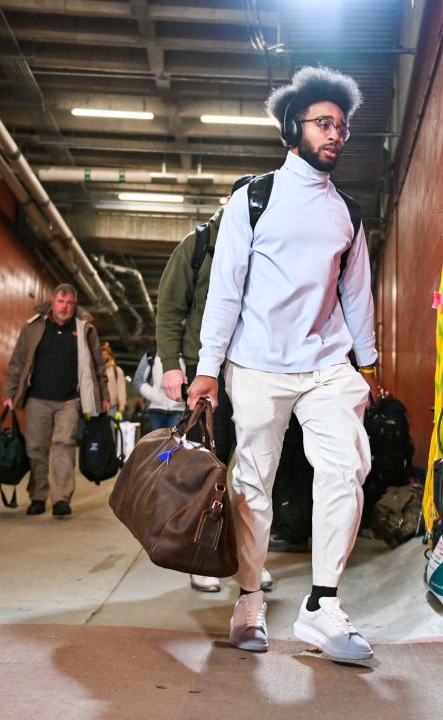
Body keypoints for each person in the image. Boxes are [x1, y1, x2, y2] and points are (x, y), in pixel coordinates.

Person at [186, 66, 379, 661]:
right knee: (253, 485)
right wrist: (207, 367)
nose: (336, 135)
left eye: (342, 127)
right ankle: (249, 598)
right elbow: (225, 288)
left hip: (326, 364)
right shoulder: (255, 198)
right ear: (294, 127)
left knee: (347, 468)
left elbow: (357, 294)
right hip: (257, 363)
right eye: (325, 123)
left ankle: (322, 605)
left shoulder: (347, 211)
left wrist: (367, 366)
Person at [155, 173, 275, 594]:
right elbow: (170, 309)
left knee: (255, 466)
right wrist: (172, 365)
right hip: (205, 368)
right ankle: (201, 554)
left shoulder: (265, 245)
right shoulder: (199, 244)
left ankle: (247, 557)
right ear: (228, 201)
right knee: (208, 464)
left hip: (256, 368)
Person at [1, 284, 110, 518]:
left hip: (69, 400)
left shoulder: (84, 329)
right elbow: (17, 362)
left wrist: (104, 396)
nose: (65, 307)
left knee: (64, 445)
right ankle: (38, 496)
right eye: (61, 302)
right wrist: (9, 394)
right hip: (37, 398)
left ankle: (61, 498)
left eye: (70, 303)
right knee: (35, 448)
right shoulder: (33, 328)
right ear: (53, 302)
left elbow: (98, 365)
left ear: (75, 305)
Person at [102, 343, 128, 417]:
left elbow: (121, 389)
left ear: (110, 356)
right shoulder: (98, 371)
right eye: (101, 355)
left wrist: (121, 407)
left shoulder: (117, 370)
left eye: (105, 354)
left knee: (111, 428)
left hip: (112, 407)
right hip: (99, 407)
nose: (103, 357)